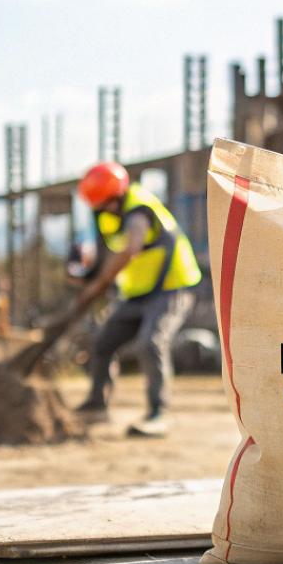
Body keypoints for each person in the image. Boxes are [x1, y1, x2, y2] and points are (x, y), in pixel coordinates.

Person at [67, 161, 203, 435]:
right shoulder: (105, 215)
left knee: (151, 342)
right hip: (138, 293)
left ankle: (158, 413)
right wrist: (88, 276)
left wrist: (100, 284)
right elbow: (108, 251)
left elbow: (131, 247)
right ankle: (97, 405)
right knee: (103, 343)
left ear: (116, 196)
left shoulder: (138, 207)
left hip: (171, 287)